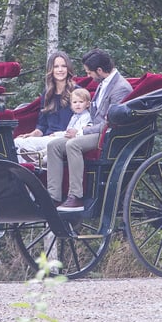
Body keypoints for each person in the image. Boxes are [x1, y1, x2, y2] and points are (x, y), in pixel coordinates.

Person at [46, 48, 132, 211]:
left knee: (73, 145)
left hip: (107, 134)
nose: (88, 77)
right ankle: (54, 196)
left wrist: (80, 132)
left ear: (99, 70)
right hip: (94, 130)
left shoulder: (121, 88)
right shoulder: (102, 83)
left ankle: (75, 196)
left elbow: (112, 123)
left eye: (89, 73)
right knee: (54, 146)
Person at [13, 51, 76, 161]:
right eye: (56, 67)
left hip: (64, 139)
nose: (60, 70)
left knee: (25, 145)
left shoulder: (76, 92)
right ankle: (30, 173)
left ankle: (38, 164)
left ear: (68, 68)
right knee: (18, 142)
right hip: (47, 138)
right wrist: (31, 134)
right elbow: (42, 125)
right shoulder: (47, 94)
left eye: (63, 66)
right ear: (51, 70)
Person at [15, 86, 91, 164]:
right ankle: (31, 163)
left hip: (73, 141)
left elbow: (82, 132)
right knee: (17, 142)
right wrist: (56, 134)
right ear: (71, 105)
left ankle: (40, 161)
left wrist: (73, 134)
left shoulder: (86, 116)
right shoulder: (74, 116)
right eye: (75, 102)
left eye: (81, 102)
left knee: (52, 145)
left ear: (87, 104)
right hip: (63, 138)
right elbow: (67, 131)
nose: (77, 105)